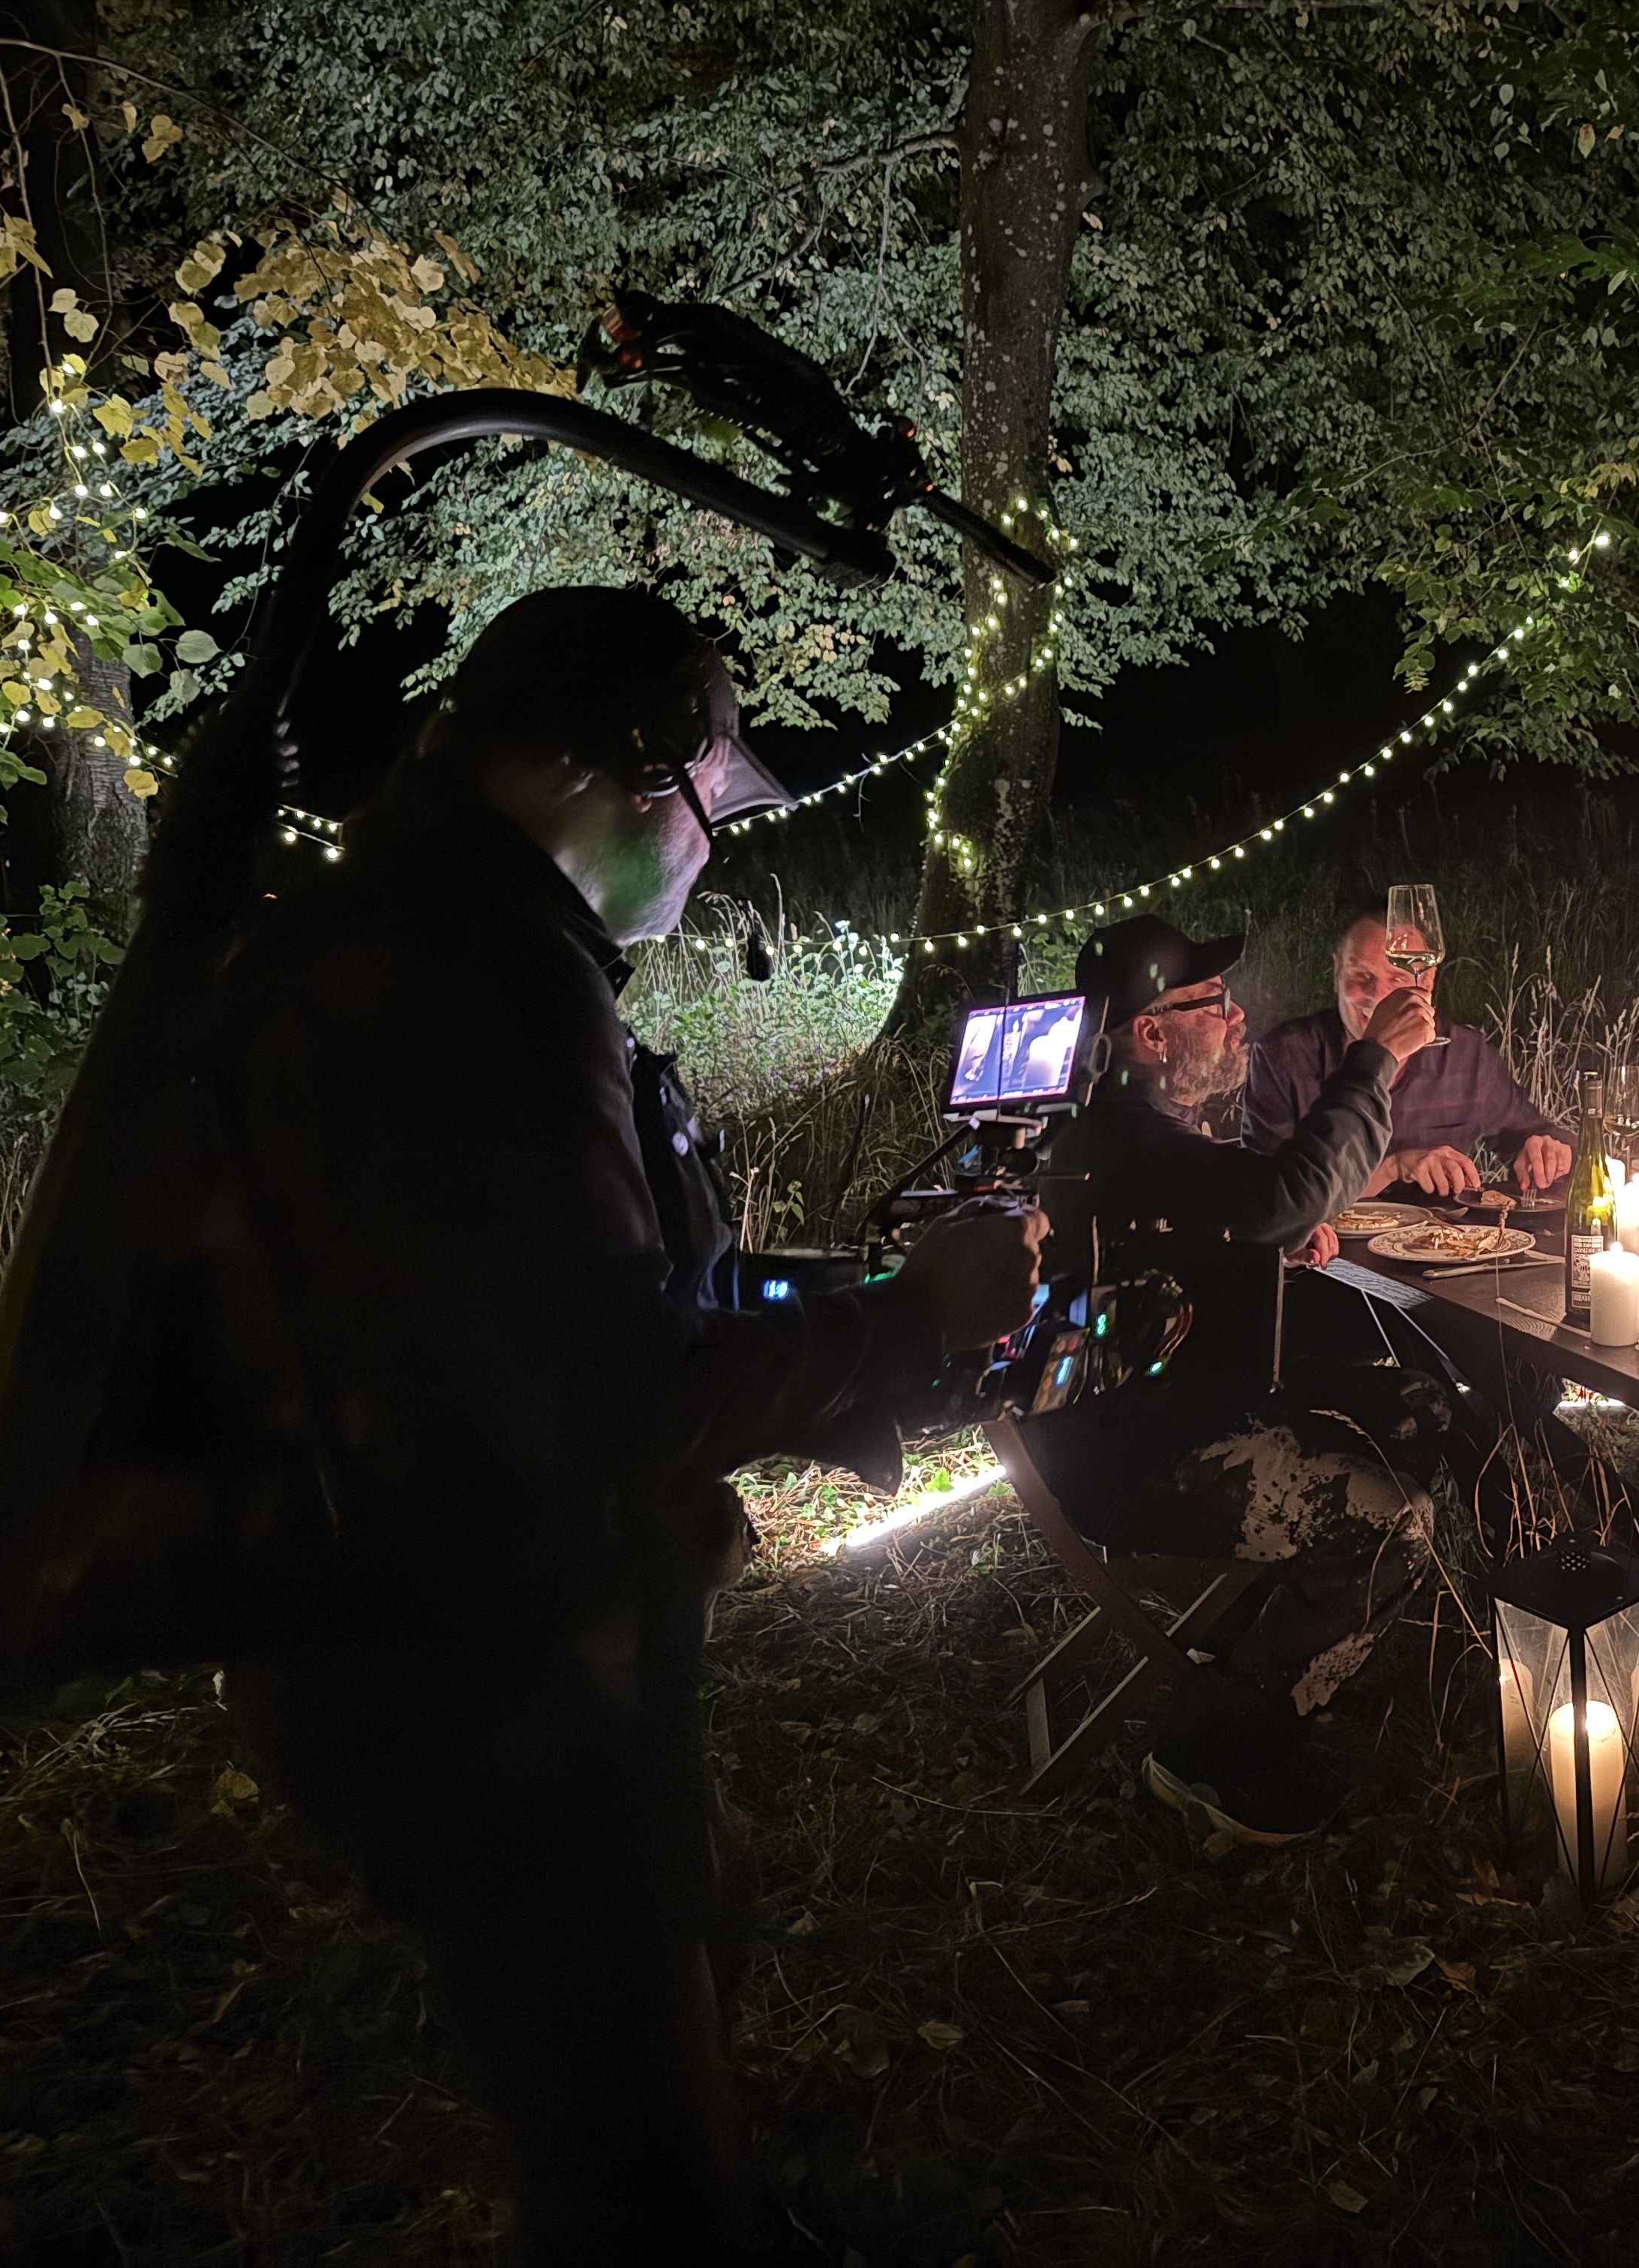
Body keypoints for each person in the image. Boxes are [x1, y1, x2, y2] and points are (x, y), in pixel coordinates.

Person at [206, 587, 1048, 2264]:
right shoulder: (478, 984)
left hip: (465, 1641)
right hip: (494, 1668)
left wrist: (861, 1308)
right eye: (711, 806)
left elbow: (597, 1302)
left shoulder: (422, 931)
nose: (714, 854)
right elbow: (610, 1392)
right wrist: (912, 1321)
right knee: (615, 2085)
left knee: (677, 1924)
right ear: (621, 762)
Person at [1032, 914, 1447, 1844]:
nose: (1237, 1016)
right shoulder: (1128, 1137)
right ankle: (1216, 1751)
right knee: (1400, 1526)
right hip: (1140, 1460)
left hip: (1161, 1409)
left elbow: (1204, 1234)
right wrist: (1372, 1065)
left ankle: (1255, 1645)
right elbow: (1281, 1194)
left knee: (1417, 1408)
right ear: (1150, 1033)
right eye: (1212, 1004)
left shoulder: (1122, 1132)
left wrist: (1259, 1252)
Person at [1244, 910, 1571, 1201]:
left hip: (1440, 1255)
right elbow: (1270, 1200)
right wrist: (1394, 1168)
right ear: (1336, 973)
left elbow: (1531, 1135)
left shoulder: (1465, 1056)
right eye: (1362, 977)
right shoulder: (1283, 1056)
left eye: (1398, 978)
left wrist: (1544, 1152)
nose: (1380, 997)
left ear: (1427, 981)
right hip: (1325, 1263)